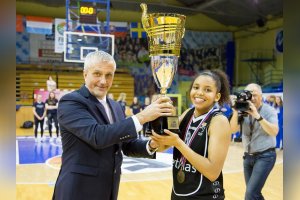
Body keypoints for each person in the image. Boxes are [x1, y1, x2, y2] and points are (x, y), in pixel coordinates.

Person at [52, 50, 174, 200]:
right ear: (85, 74)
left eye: (109, 75)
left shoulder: (116, 106)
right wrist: (142, 117)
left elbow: (126, 146)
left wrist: (152, 144)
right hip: (78, 190)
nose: (103, 81)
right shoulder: (71, 102)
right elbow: (97, 136)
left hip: (108, 189)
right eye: (97, 74)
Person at [152, 69, 232, 199]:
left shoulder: (219, 121)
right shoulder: (186, 114)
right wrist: (160, 121)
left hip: (205, 196)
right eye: (196, 87)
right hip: (179, 194)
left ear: (217, 96)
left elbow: (212, 172)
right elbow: (161, 146)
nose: (199, 93)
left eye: (207, 90)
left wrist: (178, 143)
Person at [230, 83, 279, 200]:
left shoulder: (269, 110)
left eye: (255, 95)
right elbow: (233, 130)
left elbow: (274, 131)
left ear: (261, 96)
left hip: (265, 156)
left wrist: (257, 116)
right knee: (253, 194)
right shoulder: (243, 110)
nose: (252, 97)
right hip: (247, 157)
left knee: (250, 193)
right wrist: (236, 111)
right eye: (249, 94)